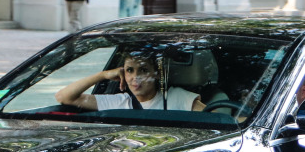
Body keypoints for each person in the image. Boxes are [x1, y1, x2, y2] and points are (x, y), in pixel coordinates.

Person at [56, 50, 205, 111]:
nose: (135, 77)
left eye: (143, 70)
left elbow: (216, 117)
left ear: (157, 74)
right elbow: (64, 97)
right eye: (129, 70)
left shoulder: (177, 97)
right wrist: (102, 75)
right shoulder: (118, 102)